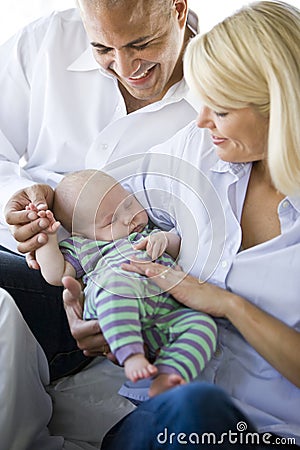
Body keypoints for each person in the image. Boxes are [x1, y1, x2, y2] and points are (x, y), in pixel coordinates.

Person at [97, 1, 300, 448]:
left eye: (222, 109)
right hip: (161, 421)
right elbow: (98, 201)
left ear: (281, 108)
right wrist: (87, 288)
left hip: (269, 433)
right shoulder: (202, 149)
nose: (203, 119)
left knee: (199, 409)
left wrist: (228, 305)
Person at [0, 0, 198, 381]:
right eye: (102, 49)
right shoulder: (50, 40)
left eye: (142, 44)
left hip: (93, 298)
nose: (125, 69)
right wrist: (20, 196)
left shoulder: (217, 103)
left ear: (178, 8)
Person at [33, 169, 217, 396]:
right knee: (118, 284)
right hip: (114, 302)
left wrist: (164, 239)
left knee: (202, 324)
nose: (128, 218)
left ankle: (167, 376)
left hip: (161, 310)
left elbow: (178, 246)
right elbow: (55, 274)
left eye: (129, 204)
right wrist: (46, 238)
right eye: (110, 221)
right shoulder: (86, 247)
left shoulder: (147, 232)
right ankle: (131, 356)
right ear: (82, 234)